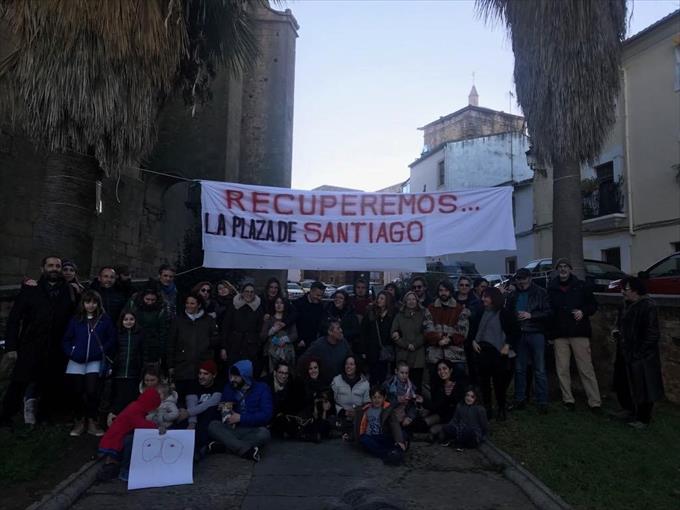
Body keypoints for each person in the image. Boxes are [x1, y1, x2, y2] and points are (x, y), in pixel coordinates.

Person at [1, 256, 77, 428]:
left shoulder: (69, 291)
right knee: (19, 381)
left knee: (49, 383)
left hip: (56, 345)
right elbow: (14, 319)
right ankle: (6, 416)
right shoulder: (30, 289)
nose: (54, 269)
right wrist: (11, 346)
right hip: (30, 344)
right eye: (50, 266)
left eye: (57, 266)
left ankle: (44, 416)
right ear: (43, 268)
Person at [548, 258, 601, 411]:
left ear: (570, 269)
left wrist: (582, 311)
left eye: (566, 266)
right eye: (560, 267)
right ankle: (568, 399)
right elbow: (550, 311)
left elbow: (593, 305)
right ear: (557, 270)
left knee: (586, 368)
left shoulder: (581, 286)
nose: (563, 269)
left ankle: (595, 401)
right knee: (562, 368)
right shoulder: (552, 288)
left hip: (579, 331)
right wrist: (550, 334)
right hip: (560, 333)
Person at [62, 290, 116, 437]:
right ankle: (80, 420)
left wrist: (101, 351)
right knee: (77, 392)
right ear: (83, 304)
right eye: (87, 302)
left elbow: (111, 338)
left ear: (98, 303)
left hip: (94, 360)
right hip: (76, 361)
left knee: (92, 391)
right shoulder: (76, 319)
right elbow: (66, 339)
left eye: (94, 302)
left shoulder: (105, 319)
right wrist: (72, 353)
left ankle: (92, 420)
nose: (91, 305)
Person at [613, 277, 665, 428]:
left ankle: (643, 418)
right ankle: (628, 409)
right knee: (623, 382)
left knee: (643, 386)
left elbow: (652, 334)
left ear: (636, 290)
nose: (622, 292)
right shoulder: (624, 305)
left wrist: (639, 353)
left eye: (626, 289)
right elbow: (620, 324)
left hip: (642, 355)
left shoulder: (648, 306)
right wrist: (616, 331)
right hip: (624, 350)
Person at [505, 268, 552, 413]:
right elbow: (508, 314)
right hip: (519, 334)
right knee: (519, 369)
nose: (521, 281)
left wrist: (531, 315)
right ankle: (520, 399)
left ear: (530, 278)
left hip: (536, 333)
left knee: (540, 369)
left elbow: (549, 312)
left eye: (524, 278)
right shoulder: (513, 295)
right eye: (519, 279)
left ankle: (542, 401)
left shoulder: (541, 292)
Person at [207, 360, 273, 462]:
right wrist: (223, 408)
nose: (232, 379)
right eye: (231, 376)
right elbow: (225, 409)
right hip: (232, 429)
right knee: (213, 425)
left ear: (245, 377)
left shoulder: (262, 388)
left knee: (264, 434)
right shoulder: (229, 387)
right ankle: (246, 451)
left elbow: (266, 415)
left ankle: (225, 447)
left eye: (236, 377)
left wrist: (241, 418)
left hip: (251, 429)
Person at [97, 387, 162, 481]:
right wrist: (156, 427)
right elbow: (141, 424)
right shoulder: (136, 409)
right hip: (114, 442)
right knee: (131, 441)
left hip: (114, 439)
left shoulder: (135, 406)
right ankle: (125, 471)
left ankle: (116, 467)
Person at [472, 287, 517, 421]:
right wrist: (473, 340)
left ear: (493, 298)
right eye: (483, 296)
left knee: (499, 383)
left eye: (486, 296)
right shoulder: (481, 312)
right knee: (484, 382)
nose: (483, 299)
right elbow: (473, 328)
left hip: (498, 352)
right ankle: (487, 408)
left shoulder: (504, 313)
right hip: (482, 351)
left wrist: (508, 345)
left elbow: (514, 331)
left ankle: (501, 407)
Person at [167, 293, 220, 402]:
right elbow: (171, 343)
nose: (189, 306)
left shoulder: (208, 320)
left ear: (199, 305)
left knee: (199, 399)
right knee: (181, 400)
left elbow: (216, 340)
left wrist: (207, 344)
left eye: (192, 303)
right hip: (182, 367)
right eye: (187, 303)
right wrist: (170, 365)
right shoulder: (178, 320)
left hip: (202, 366)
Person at [424, 280, 471, 382]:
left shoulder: (459, 309)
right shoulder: (431, 308)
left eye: (446, 290)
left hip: (455, 354)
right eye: (441, 290)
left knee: (458, 385)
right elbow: (427, 329)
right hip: (435, 354)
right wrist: (438, 339)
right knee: (435, 387)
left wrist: (449, 339)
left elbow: (462, 331)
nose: (443, 293)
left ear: (450, 291)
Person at [177, 360, 223, 455]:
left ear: (213, 375)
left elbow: (209, 403)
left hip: (207, 418)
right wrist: (192, 422)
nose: (201, 377)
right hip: (194, 417)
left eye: (205, 374)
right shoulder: (194, 385)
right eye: (200, 373)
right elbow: (191, 403)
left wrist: (188, 413)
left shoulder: (218, 387)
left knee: (210, 410)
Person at [355, 386, 406, 465]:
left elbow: (394, 424)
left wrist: (399, 440)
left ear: (384, 398)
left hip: (383, 436)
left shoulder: (387, 409)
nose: (377, 400)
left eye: (379, 397)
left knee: (403, 435)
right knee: (364, 439)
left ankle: (394, 450)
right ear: (371, 398)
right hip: (371, 437)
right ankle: (387, 454)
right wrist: (349, 435)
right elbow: (357, 425)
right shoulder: (365, 409)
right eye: (374, 397)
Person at [109, 310, 145, 421]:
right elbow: (112, 351)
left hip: (133, 372)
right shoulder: (117, 334)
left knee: (131, 399)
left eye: (131, 319)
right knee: (119, 398)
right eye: (126, 319)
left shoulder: (140, 334)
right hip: (119, 372)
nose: (128, 322)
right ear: (121, 321)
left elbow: (143, 352)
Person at [222, 283, 264, 376]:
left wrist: (257, 344)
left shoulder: (258, 308)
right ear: (242, 293)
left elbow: (260, 328)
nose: (249, 294)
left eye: (252, 292)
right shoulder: (233, 306)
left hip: (251, 347)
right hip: (234, 345)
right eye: (247, 291)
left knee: (247, 373)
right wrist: (224, 347)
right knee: (233, 372)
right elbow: (226, 327)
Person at [125, 284, 169, 367]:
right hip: (135, 342)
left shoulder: (161, 310)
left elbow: (163, 331)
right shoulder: (134, 306)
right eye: (147, 299)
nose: (150, 302)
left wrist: (162, 351)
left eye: (153, 300)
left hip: (153, 345)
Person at [391, 291, 428, 389]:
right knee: (402, 385)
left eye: (413, 299)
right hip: (403, 353)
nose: (411, 301)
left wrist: (415, 345)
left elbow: (426, 332)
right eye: (409, 299)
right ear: (405, 301)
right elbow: (394, 333)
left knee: (417, 384)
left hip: (418, 354)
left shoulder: (423, 314)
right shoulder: (399, 316)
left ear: (417, 300)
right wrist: (406, 345)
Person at [297, 320, 352, 385]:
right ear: (330, 332)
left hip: (342, 383)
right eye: (338, 328)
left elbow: (351, 359)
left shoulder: (343, 342)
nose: (341, 330)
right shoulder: (318, 345)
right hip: (325, 386)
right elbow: (301, 361)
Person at [359, 291, 395, 384]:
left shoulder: (392, 315)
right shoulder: (371, 313)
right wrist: (363, 350)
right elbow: (363, 332)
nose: (379, 300)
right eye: (378, 298)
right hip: (372, 351)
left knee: (383, 376)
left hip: (385, 351)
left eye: (382, 298)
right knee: (373, 377)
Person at [331, 355, 370, 440]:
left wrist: (357, 412)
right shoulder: (336, 380)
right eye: (346, 364)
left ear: (356, 366)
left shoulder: (365, 383)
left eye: (351, 364)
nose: (348, 367)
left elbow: (367, 404)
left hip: (357, 417)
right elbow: (331, 401)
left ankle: (351, 434)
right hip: (341, 416)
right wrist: (343, 411)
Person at [425, 359, 466, 437]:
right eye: (439, 370)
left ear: (450, 370)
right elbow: (436, 405)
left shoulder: (459, 385)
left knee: (433, 431)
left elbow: (459, 404)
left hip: (456, 418)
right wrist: (423, 402)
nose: (442, 372)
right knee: (425, 422)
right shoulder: (439, 386)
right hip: (443, 416)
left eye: (444, 368)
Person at [455, 276, 483, 384]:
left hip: (471, 338)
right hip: (455, 337)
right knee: (457, 366)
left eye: (466, 285)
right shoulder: (452, 299)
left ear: (470, 287)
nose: (464, 287)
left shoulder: (476, 301)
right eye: (461, 285)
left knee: (472, 366)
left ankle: (474, 391)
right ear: (458, 286)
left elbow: (477, 320)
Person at [266, 361, 305, 438]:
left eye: (286, 373)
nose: (283, 376)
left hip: (282, 414)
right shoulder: (267, 383)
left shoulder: (289, 382)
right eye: (281, 373)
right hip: (269, 415)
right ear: (275, 372)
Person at [299, 358, 334, 441]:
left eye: (315, 368)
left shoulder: (325, 382)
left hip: (324, 414)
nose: (313, 371)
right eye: (310, 368)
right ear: (307, 370)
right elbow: (302, 403)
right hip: (308, 415)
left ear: (319, 368)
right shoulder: (302, 383)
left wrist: (328, 404)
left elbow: (331, 399)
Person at [261, 296, 298, 374]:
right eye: (277, 303)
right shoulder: (269, 319)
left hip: (286, 353)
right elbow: (262, 336)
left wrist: (284, 339)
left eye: (281, 303)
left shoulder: (289, 319)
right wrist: (272, 330)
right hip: (270, 353)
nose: (279, 305)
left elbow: (295, 335)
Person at [382, 361, 422, 432]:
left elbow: (413, 406)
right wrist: (397, 400)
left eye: (406, 373)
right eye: (402, 373)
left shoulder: (410, 387)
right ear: (396, 371)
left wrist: (409, 417)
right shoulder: (388, 385)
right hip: (391, 416)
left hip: (405, 416)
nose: (404, 375)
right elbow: (383, 404)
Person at [321, 290, 360, 356]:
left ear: (345, 301)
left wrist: (341, 334)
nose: (337, 299)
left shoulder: (350, 313)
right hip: (328, 344)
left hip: (345, 344)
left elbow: (355, 330)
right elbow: (322, 326)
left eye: (341, 298)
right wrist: (331, 333)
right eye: (336, 297)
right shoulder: (328, 310)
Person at [293, 281, 326, 354]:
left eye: (321, 296)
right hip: (300, 343)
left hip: (313, 343)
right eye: (317, 295)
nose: (319, 298)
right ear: (311, 291)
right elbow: (294, 324)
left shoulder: (321, 306)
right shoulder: (298, 304)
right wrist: (299, 339)